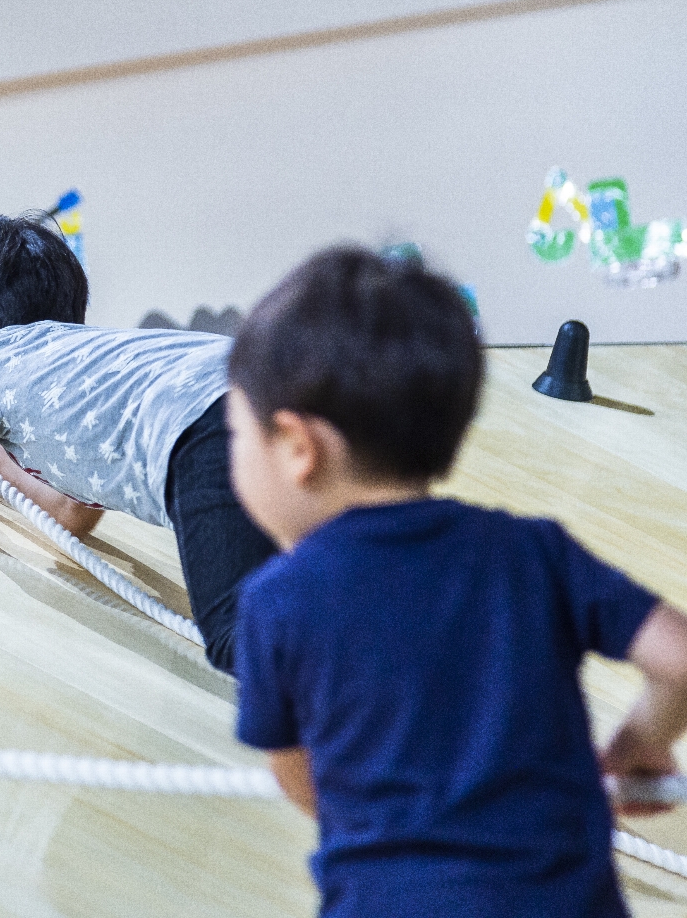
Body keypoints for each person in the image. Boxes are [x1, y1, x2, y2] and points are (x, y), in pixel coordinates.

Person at [226, 246, 687, 917]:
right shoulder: (534, 552)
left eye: (238, 433)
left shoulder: (276, 601)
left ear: (299, 447)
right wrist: (638, 744)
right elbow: (678, 657)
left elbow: (302, 778)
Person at [0, 214, 276, 673]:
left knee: (237, 638)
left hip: (198, 434)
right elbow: (71, 513)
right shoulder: (86, 361)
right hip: (263, 391)